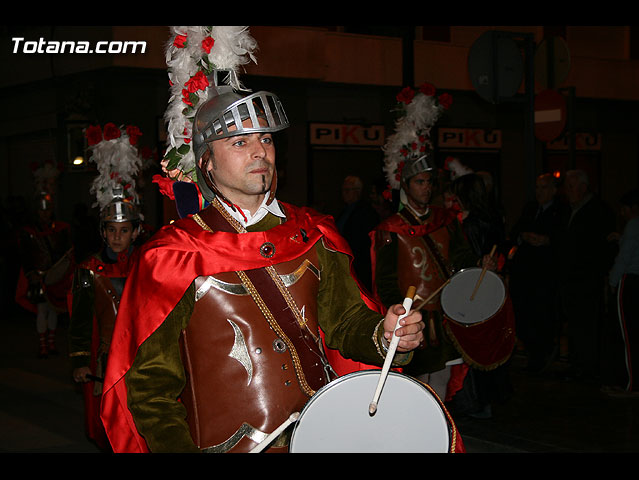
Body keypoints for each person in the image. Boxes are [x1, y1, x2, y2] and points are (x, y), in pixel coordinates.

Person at [100, 75, 426, 453]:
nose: (260, 152)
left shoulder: (312, 233)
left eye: (266, 139)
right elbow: (151, 389)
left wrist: (386, 336)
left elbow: (346, 322)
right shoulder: (174, 255)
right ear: (206, 163)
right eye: (240, 142)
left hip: (325, 436)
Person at [371, 154, 478, 401]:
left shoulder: (446, 221)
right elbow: (385, 279)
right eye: (420, 182)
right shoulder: (390, 228)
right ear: (406, 186)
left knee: (442, 381)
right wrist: (399, 313)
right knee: (414, 384)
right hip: (415, 317)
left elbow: (462, 257)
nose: (427, 187)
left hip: (446, 314)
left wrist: (476, 265)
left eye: (429, 182)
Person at [68, 122, 145, 450]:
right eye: (111, 230)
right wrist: (80, 360)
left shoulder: (148, 265)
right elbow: (81, 320)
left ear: (135, 232)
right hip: (105, 361)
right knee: (109, 428)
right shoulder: (88, 269)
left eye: (123, 230)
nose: (117, 237)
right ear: (102, 232)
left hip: (142, 358)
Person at [449, 172, 515, 418]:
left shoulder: (469, 224)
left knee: (472, 343)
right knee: (488, 343)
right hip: (491, 287)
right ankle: (488, 398)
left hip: (473, 288)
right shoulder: (493, 217)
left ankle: (474, 401)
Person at [555, 169, 615, 381]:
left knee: (587, 323)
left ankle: (588, 366)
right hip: (570, 277)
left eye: (571, 187)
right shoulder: (568, 210)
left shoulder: (597, 211)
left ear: (582, 187)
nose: (567, 192)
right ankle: (576, 362)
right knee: (574, 322)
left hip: (586, 278)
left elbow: (603, 246)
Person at [509, 173, 564, 373]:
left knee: (542, 315)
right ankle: (533, 351)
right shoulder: (531, 208)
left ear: (553, 190)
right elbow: (515, 231)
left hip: (544, 274)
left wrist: (546, 240)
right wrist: (524, 237)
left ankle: (541, 354)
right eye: (538, 188)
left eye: (544, 188)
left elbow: (562, 239)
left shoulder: (560, 211)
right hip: (525, 273)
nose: (540, 192)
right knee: (524, 314)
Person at [15, 190, 73, 358]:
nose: (45, 213)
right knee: (42, 310)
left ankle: (52, 343)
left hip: (56, 277)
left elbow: (66, 252)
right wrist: (31, 273)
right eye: (42, 210)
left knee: (54, 309)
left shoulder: (61, 229)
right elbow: (25, 254)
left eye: (47, 210)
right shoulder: (28, 232)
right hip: (38, 276)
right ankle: (43, 345)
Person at [602, 187, 639, 395]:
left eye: (624, 209)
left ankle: (630, 383)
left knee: (627, 333)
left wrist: (613, 280)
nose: (621, 214)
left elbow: (625, 258)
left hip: (630, 282)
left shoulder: (634, 225)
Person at [335, 175, 380, 291]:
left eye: (347, 190)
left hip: (359, 265)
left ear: (357, 192)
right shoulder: (345, 211)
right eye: (343, 190)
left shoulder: (366, 212)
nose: (344, 193)